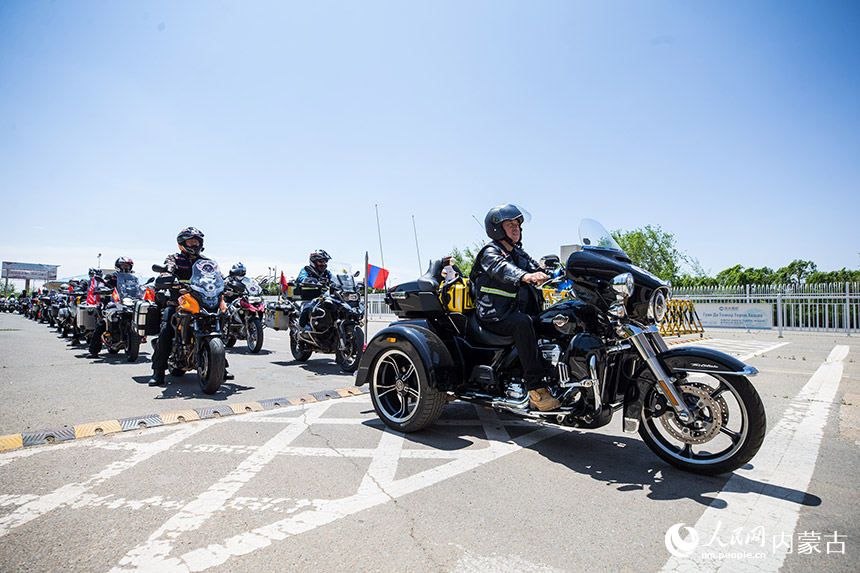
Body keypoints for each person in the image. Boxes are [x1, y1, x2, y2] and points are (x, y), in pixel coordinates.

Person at [470, 204, 561, 411]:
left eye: (517, 224)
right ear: (496, 229)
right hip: (494, 314)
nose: (516, 228)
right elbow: (502, 269)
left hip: (513, 313)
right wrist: (524, 275)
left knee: (555, 321)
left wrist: (557, 273)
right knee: (523, 323)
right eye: (509, 224)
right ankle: (536, 389)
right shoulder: (490, 253)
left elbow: (537, 269)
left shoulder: (519, 254)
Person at [148, 227, 234, 386]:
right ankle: (158, 371)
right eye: (190, 241)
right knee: (166, 331)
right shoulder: (174, 258)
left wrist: (229, 283)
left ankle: (220, 365)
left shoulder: (206, 262)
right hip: (179, 302)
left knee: (219, 326)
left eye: (196, 241)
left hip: (203, 301)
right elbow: (167, 270)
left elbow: (219, 276)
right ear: (182, 243)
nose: (194, 244)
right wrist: (167, 278)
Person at [86, 257, 133, 357]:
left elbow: (137, 288)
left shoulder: (132, 278)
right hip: (112, 302)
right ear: (118, 266)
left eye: (127, 265)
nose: (125, 267)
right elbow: (103, 284)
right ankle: (94, 351)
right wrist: (103, 289)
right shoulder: (111, 276)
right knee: (101, 324)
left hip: (126, 302)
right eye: (123, 265)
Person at [296, 250, 333, 329]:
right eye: (321, 261)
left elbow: (334, 279)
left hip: (323, 299)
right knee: (307, 309)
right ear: (313, 261)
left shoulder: (327, 273)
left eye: (325, 261)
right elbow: (302, 277)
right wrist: (307, 280)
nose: (324, 264)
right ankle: (299, 331)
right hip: (308, 299)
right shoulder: (306, 270)